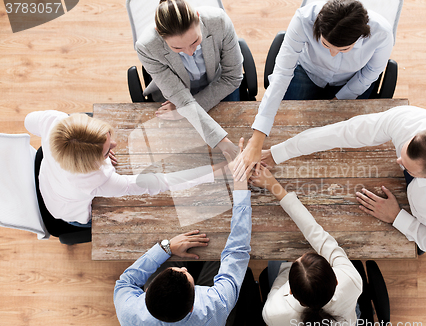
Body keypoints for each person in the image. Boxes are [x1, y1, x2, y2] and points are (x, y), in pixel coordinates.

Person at [260, 105, 426, 265]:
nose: (397, 162)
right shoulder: (410, 120)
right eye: (403, 152)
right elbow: (344, 132)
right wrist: (278, 153)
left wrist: (398, 218)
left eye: (407, 167)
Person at [235, 0, 393, 178]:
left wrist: (337, 101)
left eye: (344, 49)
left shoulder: (382, 33)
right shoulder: (304, 19)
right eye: (325, 45)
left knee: (343, 139)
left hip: (351, 81)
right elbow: (281, 75)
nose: (332, 54)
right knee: (288, 126)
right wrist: (256, 140)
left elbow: (370, 74)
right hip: (308, 71)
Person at [113, 138, 254, 326]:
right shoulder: (215, 306)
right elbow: (237, 252)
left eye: (178, 271)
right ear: (192, 308)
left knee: (188, 250)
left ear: (147, 291)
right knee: (219, 254)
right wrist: (240, 186)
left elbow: (125, 281)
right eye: (185, 274)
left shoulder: (129, 310)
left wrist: (166, 247)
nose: (183, 270)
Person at [25, 110, 223, 227]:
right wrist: (214, 172)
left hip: (49, 180)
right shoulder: (98, 178)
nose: (115, 147)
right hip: (68, 212)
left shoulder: (54, 122)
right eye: (106, 152)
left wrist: (95, 151)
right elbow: (160, 182)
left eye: (108, 139)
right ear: (87, 163)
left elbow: (28, 121)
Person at [250, 166, 362, 326]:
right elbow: (319, 236)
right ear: (336, 281)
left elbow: (278, 282)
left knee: (275, 259)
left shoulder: (273, 313)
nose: (299, 256)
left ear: (290, 290)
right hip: (344, 321)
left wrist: (273, 186)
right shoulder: (351, 281)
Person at [136, 0, 243, 153]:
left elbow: (232, 77)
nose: (189, 52)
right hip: (175, 94)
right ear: (159, 33)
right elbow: (181, 98)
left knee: (236, 130)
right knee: (180, 149)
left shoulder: (219, 21)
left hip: (219, 84)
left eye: (195, 41)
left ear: (198, 17)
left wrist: (183, 111)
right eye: (177, 48)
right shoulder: (146, 46)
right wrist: (224, 144)